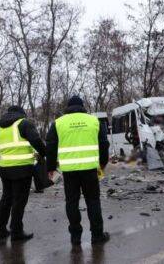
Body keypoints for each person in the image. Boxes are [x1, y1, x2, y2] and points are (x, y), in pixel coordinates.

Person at [46, 96, 110, 246]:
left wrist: (50, 168)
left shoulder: (58, 123)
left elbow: (50, 146)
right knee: (93, 202)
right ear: (82, 106)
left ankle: (75, 237)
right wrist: (102, 164)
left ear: (68, 107)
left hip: (69, 172)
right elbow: (104, 144)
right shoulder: (94, 121)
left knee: (71, 203)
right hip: (90, 170)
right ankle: (97, 235)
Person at [0, 106, 46, 241]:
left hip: (5, 168)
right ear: (21, 114)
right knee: (19, 201)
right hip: (22, 170)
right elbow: (36, 141)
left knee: (6, 199)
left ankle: (1, 229)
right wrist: (45, 153)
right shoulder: (24, 123)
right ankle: (16, 232)